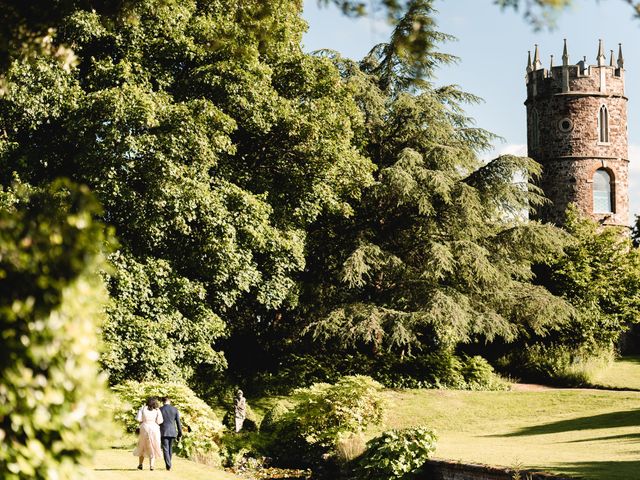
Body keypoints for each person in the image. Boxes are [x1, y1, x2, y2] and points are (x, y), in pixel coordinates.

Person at [133, 396, 164, 470]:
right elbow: (160, 421)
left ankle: (140, 464)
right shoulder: (157, 410)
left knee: (142, 445)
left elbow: (138, 419)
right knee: (153, 445)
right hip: (154, 428)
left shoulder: (143, 408)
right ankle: (151, 465)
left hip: (144, 427)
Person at [159, 396, 182, 471]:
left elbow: (158, 421)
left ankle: (168, 465)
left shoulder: (160, 409)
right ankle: (169, 464)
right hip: (172, 431)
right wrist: (180, 433)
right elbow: (178, 422)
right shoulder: (174, 409)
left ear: (163, 402)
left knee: (165, 448)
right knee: (170, 448)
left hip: (163, 431)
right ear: (169, 401)